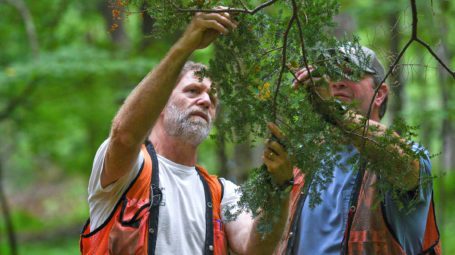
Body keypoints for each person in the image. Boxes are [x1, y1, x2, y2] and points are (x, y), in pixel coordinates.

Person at [80, 10, 289, 255]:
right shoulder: (130, 171)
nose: (205, 101)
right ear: (159, 105)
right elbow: (125, 136)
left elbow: (256, 250)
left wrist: (280, 189)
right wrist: (187, 43)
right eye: (192, 91)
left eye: (212, 97)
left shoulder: (222, 194)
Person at [263, 46, 441, 254]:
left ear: (379, 94)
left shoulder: (406, 156)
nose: (337, 81)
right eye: (331, 74)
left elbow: (401, 162)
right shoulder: (300, 165)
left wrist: (335, 110)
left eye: (350, 73)